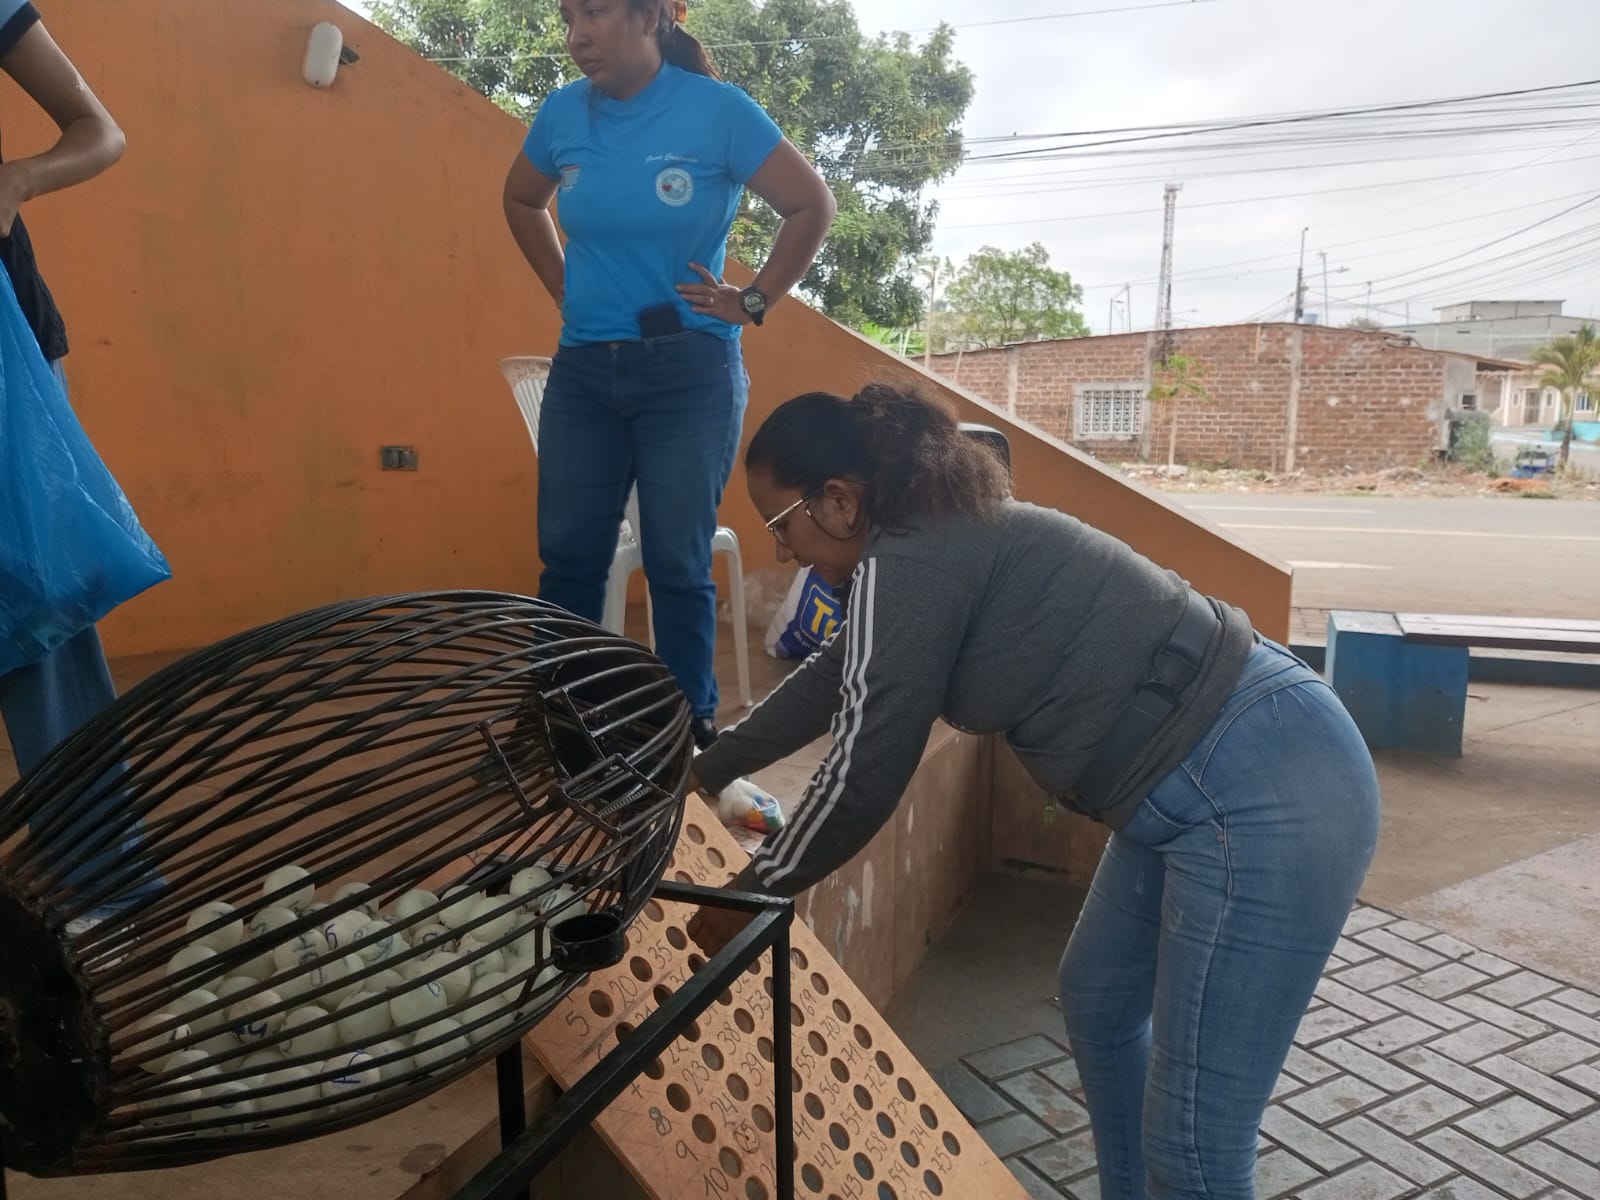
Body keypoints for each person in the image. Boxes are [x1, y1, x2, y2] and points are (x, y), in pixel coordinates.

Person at [686, 384, 1381, 1200]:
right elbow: (837, 680)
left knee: (1195, 1148)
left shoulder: (911, 559)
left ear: (837, 501)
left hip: (1259, 783)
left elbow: (865, 770)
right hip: (1202, 778)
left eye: (781, 525)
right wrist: (705, 770)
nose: (783, 553)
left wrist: (755, 889)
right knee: (1101, 1002)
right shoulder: (919, 543)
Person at [503, 0, 836, 750]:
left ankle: (685, 728)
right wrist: (561, 285)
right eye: (567, 17)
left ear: (651, 16)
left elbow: (810, 204)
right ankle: (559, 720)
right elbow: (521, 199)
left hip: (689, 370)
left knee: (676, 561)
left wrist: (754, 299)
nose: (577, 35)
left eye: (593, 13)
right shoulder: (562, 114)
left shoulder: (717, 111)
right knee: (570, 559)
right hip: (584, 371)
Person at [1, 0, 156, 928]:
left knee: (38, 612)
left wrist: (18, 177)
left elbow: (100, 132)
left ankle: (103, 887)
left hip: (7, 353)